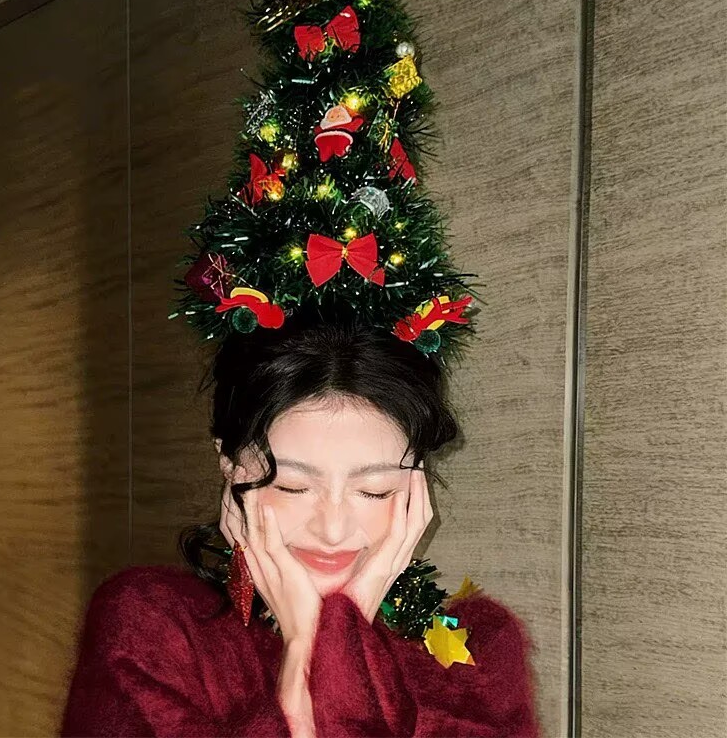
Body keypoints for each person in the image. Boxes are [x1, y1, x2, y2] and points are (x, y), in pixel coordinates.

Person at [60, 316, 540, 737]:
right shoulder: (149, 630)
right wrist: (312, 653)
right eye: (292, 486)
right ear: (230, 465)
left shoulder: (477, 653)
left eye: (374, 490)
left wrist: (331, 636)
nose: (332, 530)